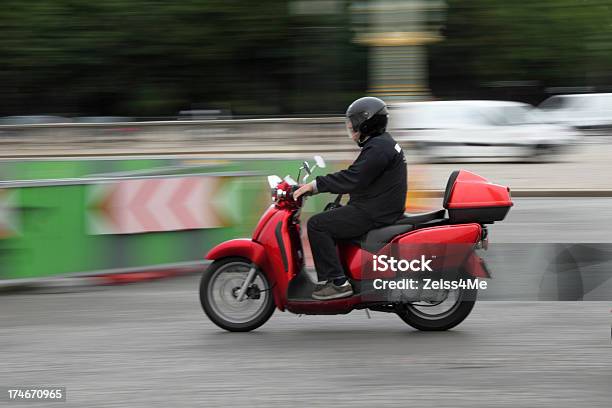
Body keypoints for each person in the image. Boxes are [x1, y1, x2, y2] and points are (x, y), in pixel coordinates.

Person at [293, 97, 407, 300]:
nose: (351, 128)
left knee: (318, 224)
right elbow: (360, 176)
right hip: (377, 206)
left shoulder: (379, 148)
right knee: (332, 216)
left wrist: (314, 186)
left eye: (353, 123)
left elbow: (354, 178)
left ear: (367, 123)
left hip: (374, 212)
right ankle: (347, 275)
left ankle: (338, 283)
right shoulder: (380, 144)